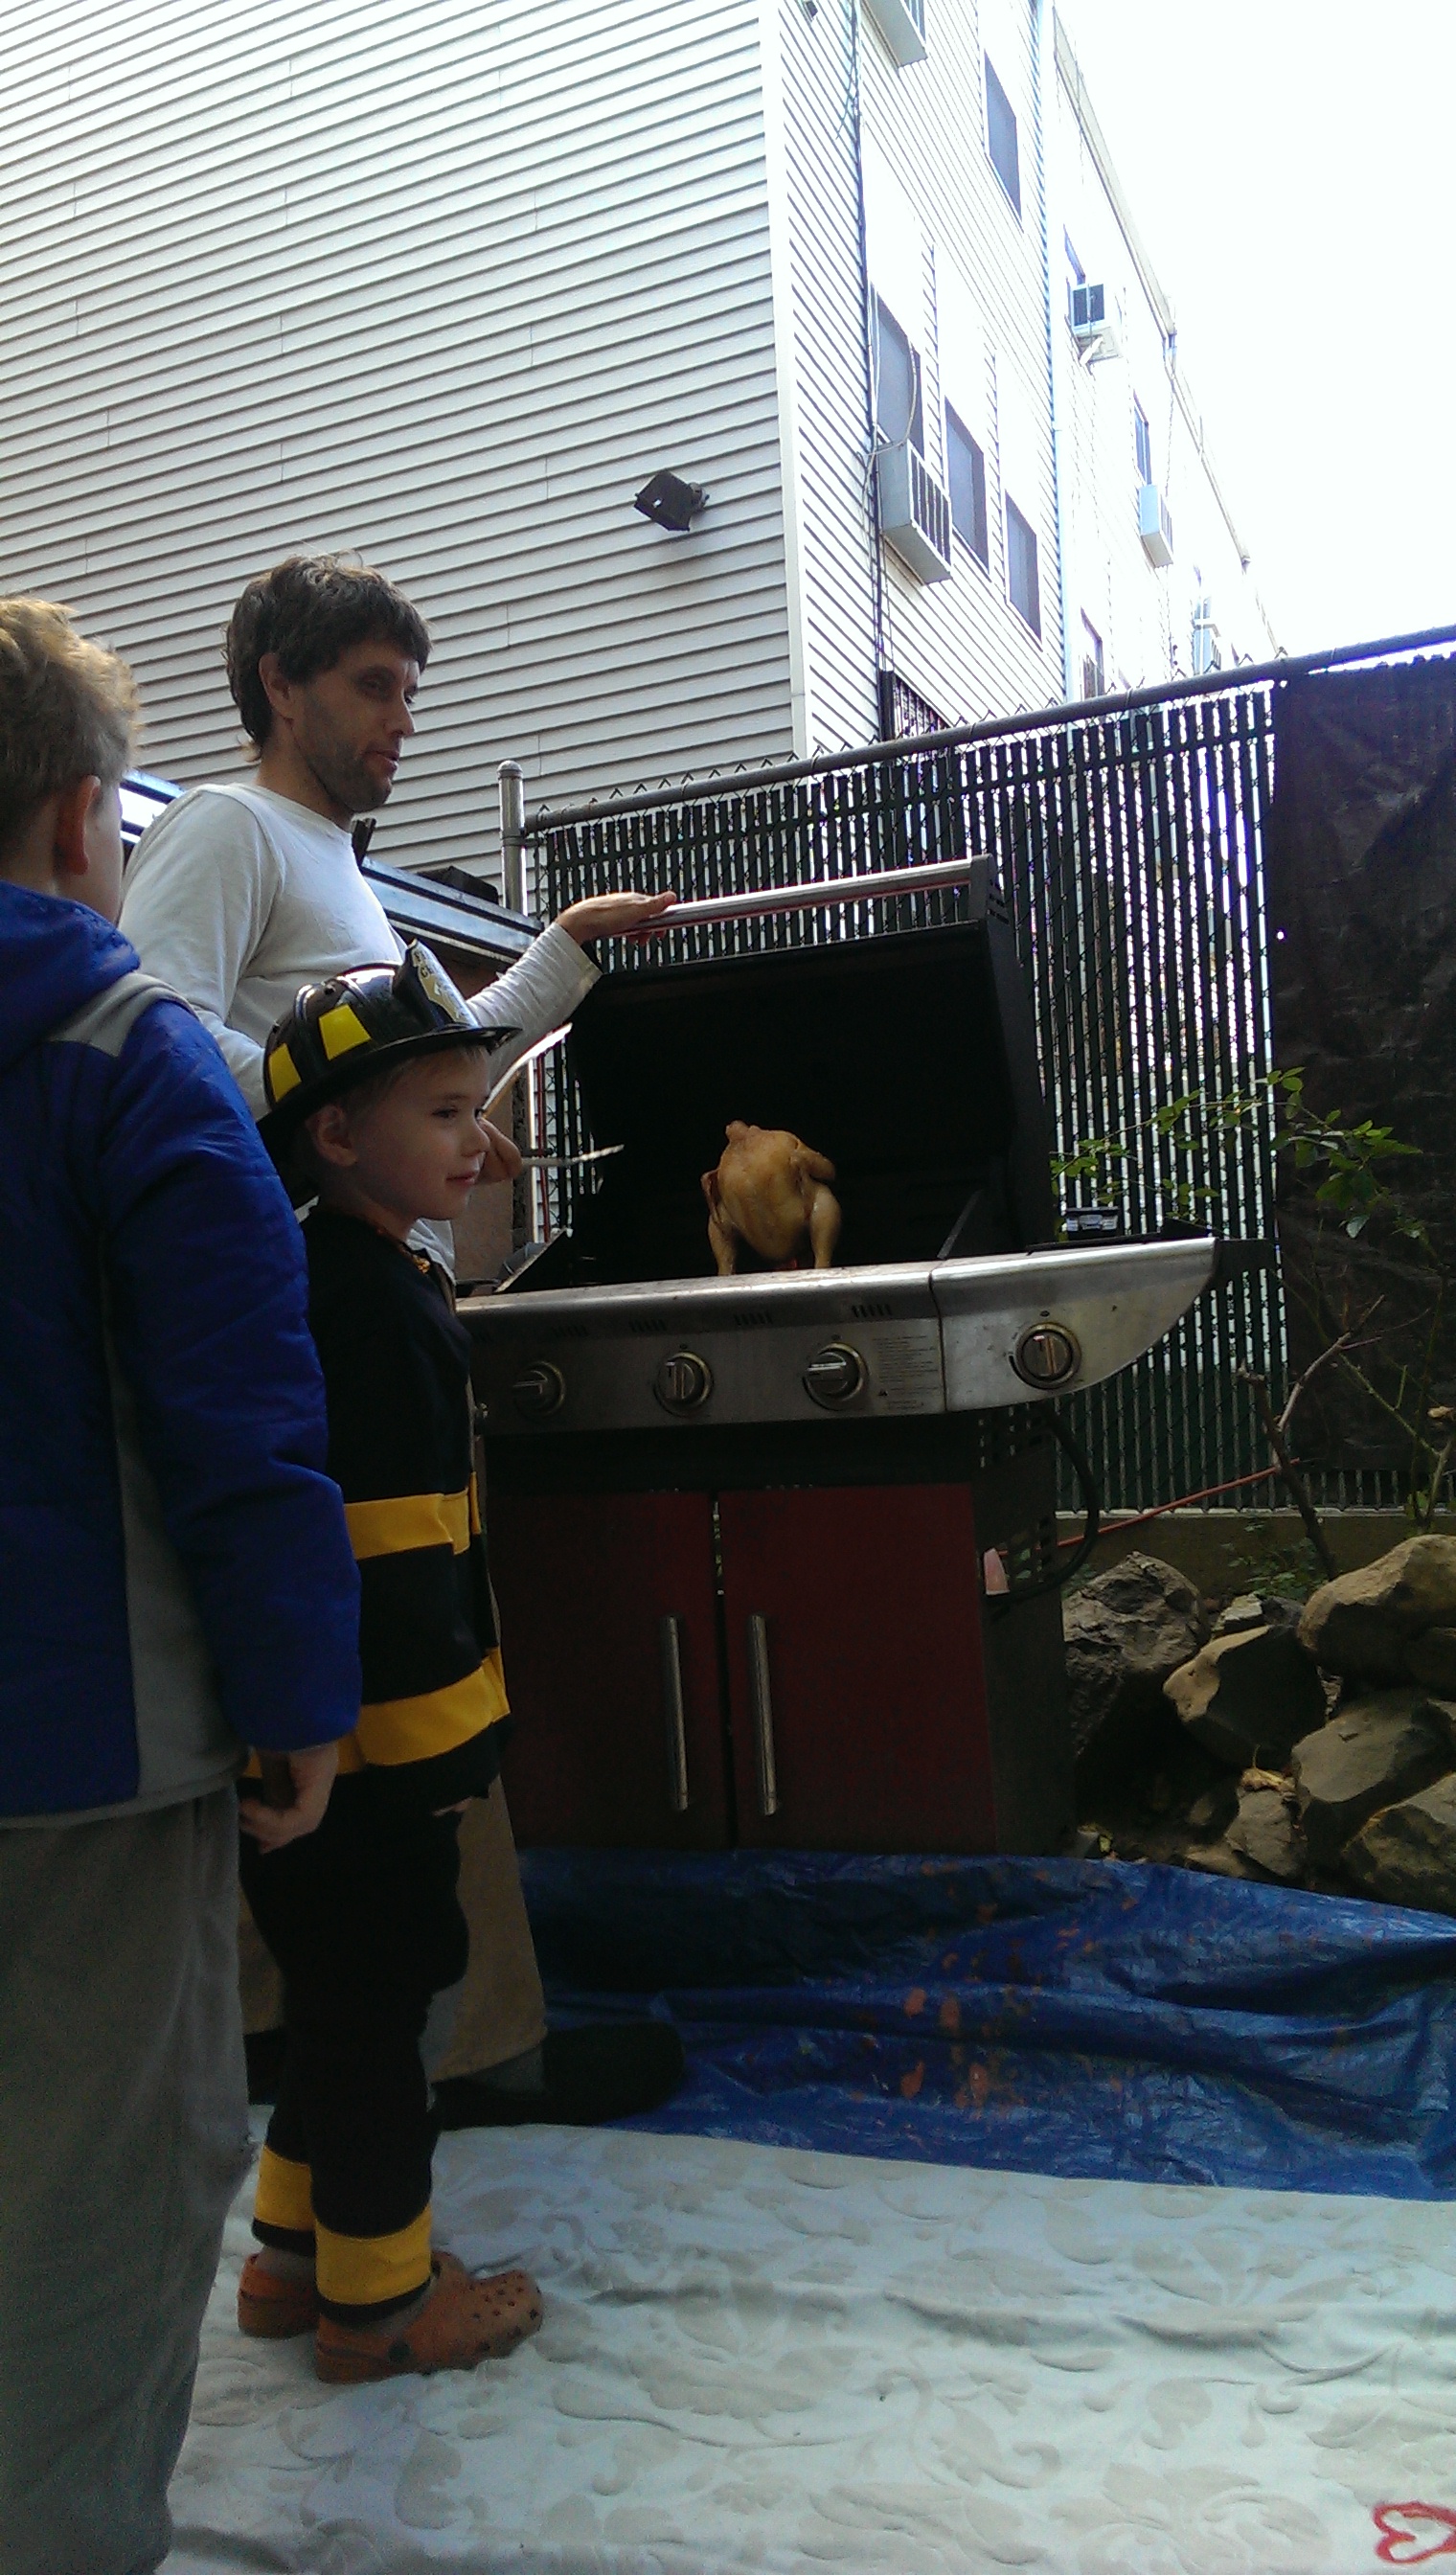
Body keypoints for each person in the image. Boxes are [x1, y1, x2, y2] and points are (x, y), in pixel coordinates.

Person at [120, 552, 682, 2127]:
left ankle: (354, 2035)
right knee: (393, 1652)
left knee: (391, 1656)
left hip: (366, 1302)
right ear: (280, 684)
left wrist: (562, 952)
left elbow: (427, 1062)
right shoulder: (227, 829)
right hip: (302, 1317)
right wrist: (347, 1110)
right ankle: (458, 2044)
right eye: (373, 686)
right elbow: (159, 1032)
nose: (401, 720)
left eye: (411, 693)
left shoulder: (338, 868)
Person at [0, 599, 361, 2575]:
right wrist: (301, 1701)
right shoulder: (129, 1057)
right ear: (83, 823)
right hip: (85, 1748)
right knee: (106, 2187)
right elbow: (245, 1422)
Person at [239, 946, 550, 2381]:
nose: (478, 1142)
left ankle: (287, 2262)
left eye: (475, 1107)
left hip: (319, 1736)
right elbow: (390, 1555)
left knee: (333, 1998)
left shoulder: (346, 1272)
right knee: (385, 2006)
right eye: (443, 1112)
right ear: (337, 1135)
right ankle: (379, 2306)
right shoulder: (362, 1303)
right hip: (374, 1750)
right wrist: (444, 1747)